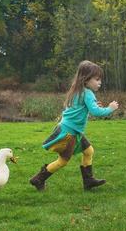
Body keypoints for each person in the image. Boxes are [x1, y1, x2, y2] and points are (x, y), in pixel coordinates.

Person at [29, 60, 119, 191]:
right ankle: (38, 179)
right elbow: (96, 112)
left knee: (89, 151)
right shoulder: (87, 93)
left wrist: (93, 106)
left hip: (71, 130)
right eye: (97, 79)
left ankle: (88, 181)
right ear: (86, 79)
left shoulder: (78, 90)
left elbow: (82, 108)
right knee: (63, 161)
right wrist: (110, 108)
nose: (100, 82)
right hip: (69, 133)